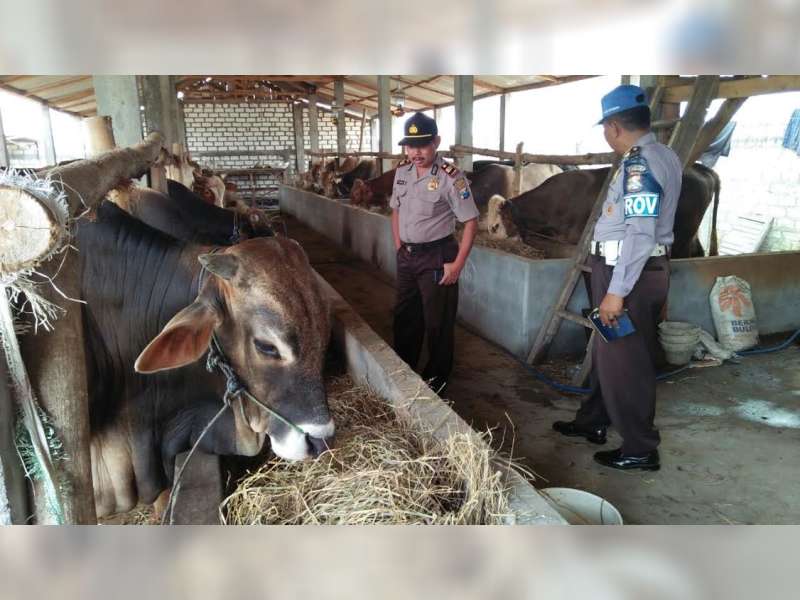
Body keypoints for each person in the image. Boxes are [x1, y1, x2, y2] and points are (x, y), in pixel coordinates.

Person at [552, 84, 682, 471]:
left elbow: (640, 231)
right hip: (628, 269)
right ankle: (594, 421)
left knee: (626, 361)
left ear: (612, 126)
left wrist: (616, 292)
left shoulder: (640, 163)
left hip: (630, 274)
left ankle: (641, 447)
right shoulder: (663, 154)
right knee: (607, 354)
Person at [390, 112, 479, 394]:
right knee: (405, 317)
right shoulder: (401, 173)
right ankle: (404, 371)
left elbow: (471, 221)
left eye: (423, 145)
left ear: (436, 142)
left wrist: (457, 264)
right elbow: (395, 210)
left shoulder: (451, 178)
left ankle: (436, 382)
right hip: (407, 256)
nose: (415, 152)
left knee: (437, 322)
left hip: (437, 257)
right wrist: (398, 245)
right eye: (410, 146)